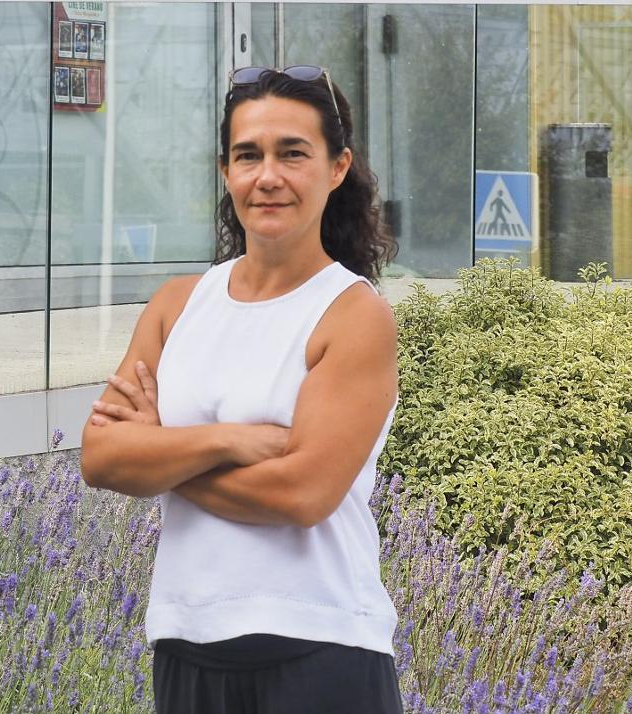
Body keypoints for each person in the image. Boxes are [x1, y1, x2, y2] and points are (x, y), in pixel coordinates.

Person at [79, 65, 402, 714]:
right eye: (247, 155)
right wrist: (226, 440)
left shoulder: (352, 314)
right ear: (226, 171)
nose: (268, 176)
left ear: (337, 169)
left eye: (293, 153)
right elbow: (101, 458)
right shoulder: (177, 306)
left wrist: (162, 457)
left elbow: (301, 493)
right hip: (185, 639)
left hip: (322, 646)